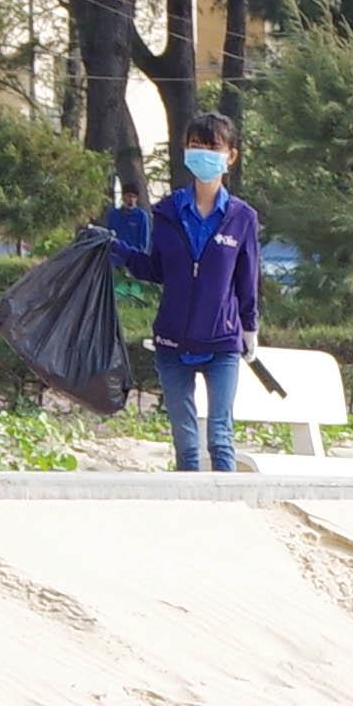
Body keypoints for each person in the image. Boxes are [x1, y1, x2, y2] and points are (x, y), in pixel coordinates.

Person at [105, 115, 269, 476]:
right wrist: (115, 248)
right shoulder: (166, 212)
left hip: (222, 342)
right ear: (185, 151)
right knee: (186, 442)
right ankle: (189, 513)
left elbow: (247, 278)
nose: (204, 153)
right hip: (172, 343)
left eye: (213, 147)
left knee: (220, 438)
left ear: (231, 156)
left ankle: (229, 513)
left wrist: (249, 327)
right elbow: (156, 270)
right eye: (197, 145)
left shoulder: (242, 218)